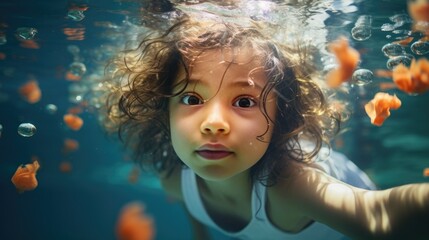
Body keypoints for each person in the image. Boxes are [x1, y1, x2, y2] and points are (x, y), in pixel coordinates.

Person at [102, 16, 429, 240]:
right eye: (191, 98)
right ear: (164, 112)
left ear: (281, 118)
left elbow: (379, 214)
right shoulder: (175, 181)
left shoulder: (289, 186)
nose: (214, 123)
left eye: (244, 102)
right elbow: (194, 206)